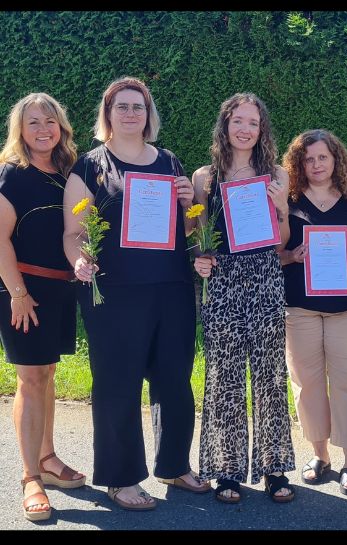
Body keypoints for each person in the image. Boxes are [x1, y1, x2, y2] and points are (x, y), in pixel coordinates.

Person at [63, 77, 210, 511]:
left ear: (149, 116)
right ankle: (121, 477)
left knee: (174, 380)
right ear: (107, 115)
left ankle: (174, 465)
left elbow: (181, 232)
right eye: (122, 106)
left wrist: (187, 206)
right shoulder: (90, 166)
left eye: (138, 107)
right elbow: (74, 233)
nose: (131, 113)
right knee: (117, 384)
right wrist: (78, 260)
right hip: (114, 293)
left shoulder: (168, 162)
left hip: (171, 288)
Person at [191, 93, 295, 504]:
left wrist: (281, 205)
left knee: (270, 374)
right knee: (224, 376)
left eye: (252, 122)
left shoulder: (276, 175)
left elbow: (283, 242)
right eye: (238, 121)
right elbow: (198, 235)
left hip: (265, 277)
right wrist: (198, 259)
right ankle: (225, 470)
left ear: (262, 128)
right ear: (225, 125)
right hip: (222, 281)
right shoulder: (205, 178)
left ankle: (274, 468)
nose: (245, 129)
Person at [280, 129, 347, 496]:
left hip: (346, 309)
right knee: (307, 384)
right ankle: (320, 456)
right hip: (299, 309)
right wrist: (291, 256)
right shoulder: (289, 202)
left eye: (322, 157)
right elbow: (272, 252)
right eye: (308, 159)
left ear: (335, 159)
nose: (316, 165)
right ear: (299, 164)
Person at [0, 93, 84, 521]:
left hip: (59, 290)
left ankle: (48, 459)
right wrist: (17, 292)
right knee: (31, 378)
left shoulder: (68, 172)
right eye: (33, 123)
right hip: (22, 292)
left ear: (61, 126)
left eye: (49, 121)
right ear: (20, 130)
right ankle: (30, 477)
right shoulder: (11, 175)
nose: (43, 130)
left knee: (48, 372)